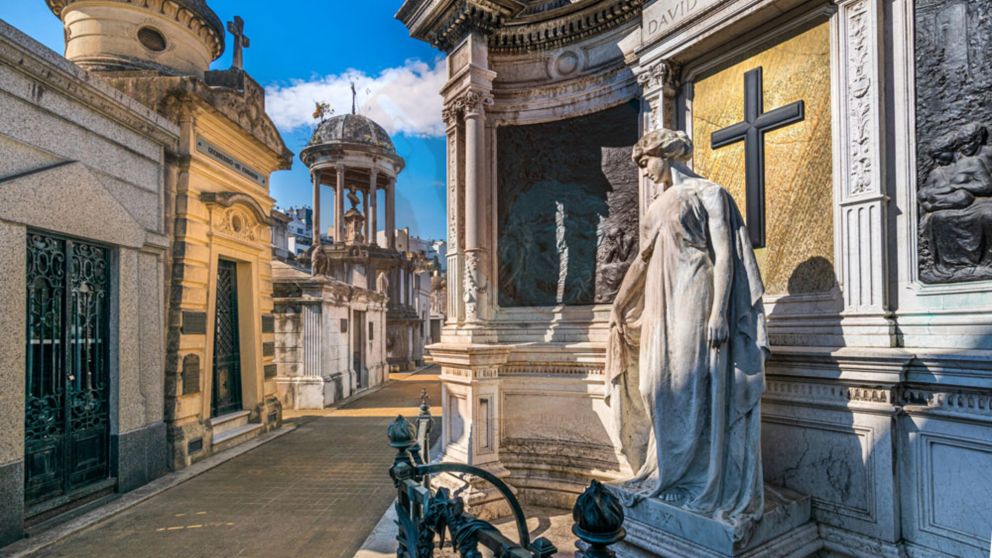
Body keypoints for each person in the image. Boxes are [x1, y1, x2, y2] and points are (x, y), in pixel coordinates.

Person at [607, 129, 769, 536]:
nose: (644, 172)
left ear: (664, 153)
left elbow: (726, 255)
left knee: (693, 384)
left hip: (696, 295)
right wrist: (619, 304)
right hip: (661, 302)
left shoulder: (710, 193)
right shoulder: (657, 206)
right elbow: (642, 263)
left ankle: (699, 478)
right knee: (653, 385)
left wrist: (719, 313)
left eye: (645, 162)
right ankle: (665, 470)